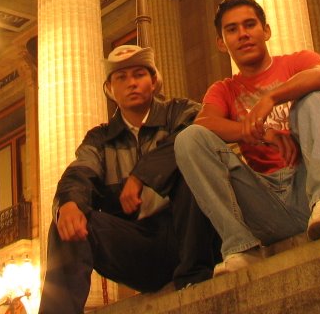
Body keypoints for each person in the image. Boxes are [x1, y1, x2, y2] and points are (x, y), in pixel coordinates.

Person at [174, 0, 320, 275]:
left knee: (312, 98)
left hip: (309, 186)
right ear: (221, 43)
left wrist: (272, 98)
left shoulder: (296, 62)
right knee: (188, 139)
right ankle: (241, 246)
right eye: (232, 29)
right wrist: (255, 132)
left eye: (250, 25)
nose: (242, 34)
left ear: (266, 30)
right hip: (264, 201)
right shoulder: (224, 90)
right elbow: (205, 122)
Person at [38, 45, 218, 313]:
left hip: (193, 239)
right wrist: (68, 204)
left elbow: (192, 136)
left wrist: (140, 176)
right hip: (141, 247)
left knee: (189, 154)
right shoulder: (100, 139)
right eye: (121, 78)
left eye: (138, 74)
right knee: (70, 220)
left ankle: (193, 279)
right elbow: (80, 171)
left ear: (154, 81)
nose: (131, 83)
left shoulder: (180, 111)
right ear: (110, 89)